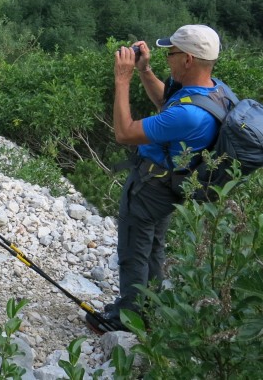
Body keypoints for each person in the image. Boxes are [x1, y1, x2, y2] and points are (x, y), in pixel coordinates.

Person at [91, 24, 222, 333]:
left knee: (134, 249)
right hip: (172, 186)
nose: (168, 59)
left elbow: (125, 132)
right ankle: (148, 308)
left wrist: (122, 79)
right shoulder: (212, 91)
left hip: (152, 187)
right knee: (153, 248)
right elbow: (169, 104)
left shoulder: (189, 115)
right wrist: (145, 72)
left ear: (188, 60)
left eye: (172, 54)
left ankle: (130, 319)